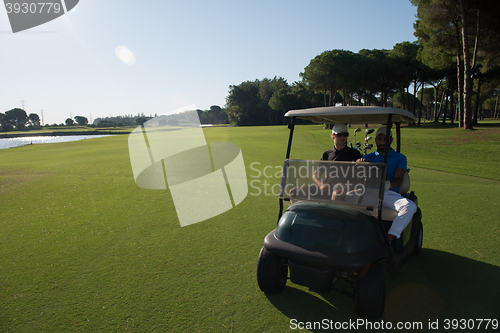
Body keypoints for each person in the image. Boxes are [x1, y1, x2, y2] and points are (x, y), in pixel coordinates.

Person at [357, 127, 417, 242]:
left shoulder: (400, 157)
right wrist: (360, 165)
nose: (382, 142)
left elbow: (399, 178)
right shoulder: (369, 157)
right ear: (375, 140)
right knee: (341, 198)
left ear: (391, 140)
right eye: (379, 139)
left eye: (385, 139)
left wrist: (388, 185)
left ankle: (388, 239)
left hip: (389, 192)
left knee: (410, 207)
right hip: (370, 191)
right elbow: (360, 176)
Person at [312, 124, 362, 199]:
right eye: (339, 135)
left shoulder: (354, 154)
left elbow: (361, 176)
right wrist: (321, 185)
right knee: (295, 192)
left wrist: (349, 185)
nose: (342, 137)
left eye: (345, 135)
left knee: (337, 194)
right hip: (327, 187)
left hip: (346, 188)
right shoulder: (327, 154)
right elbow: (316, 175)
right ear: (333, 136)